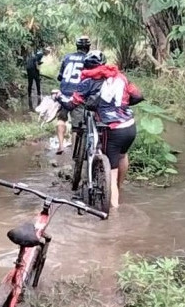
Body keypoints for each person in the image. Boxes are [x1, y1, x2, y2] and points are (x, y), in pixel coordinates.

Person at [61, 50, 143, 208]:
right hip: (130, 126)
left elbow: (71, 104)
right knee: (123, 155)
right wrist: (121, 106)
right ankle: (118, 188)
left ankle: (114, 210)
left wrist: (58, 97)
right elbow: (138, 96)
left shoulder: (89, 81)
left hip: (112, 129)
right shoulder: (121, 77)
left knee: (111, 170)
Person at [55, 35, 91, 154]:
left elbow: (60, 77)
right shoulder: (88, 59)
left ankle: (60, 145)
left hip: (64, 93)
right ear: (88, 47)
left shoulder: (67, 57)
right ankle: (76, 154)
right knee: (77, 126)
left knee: (61, 119)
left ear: (77, 46)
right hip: (77, 96)